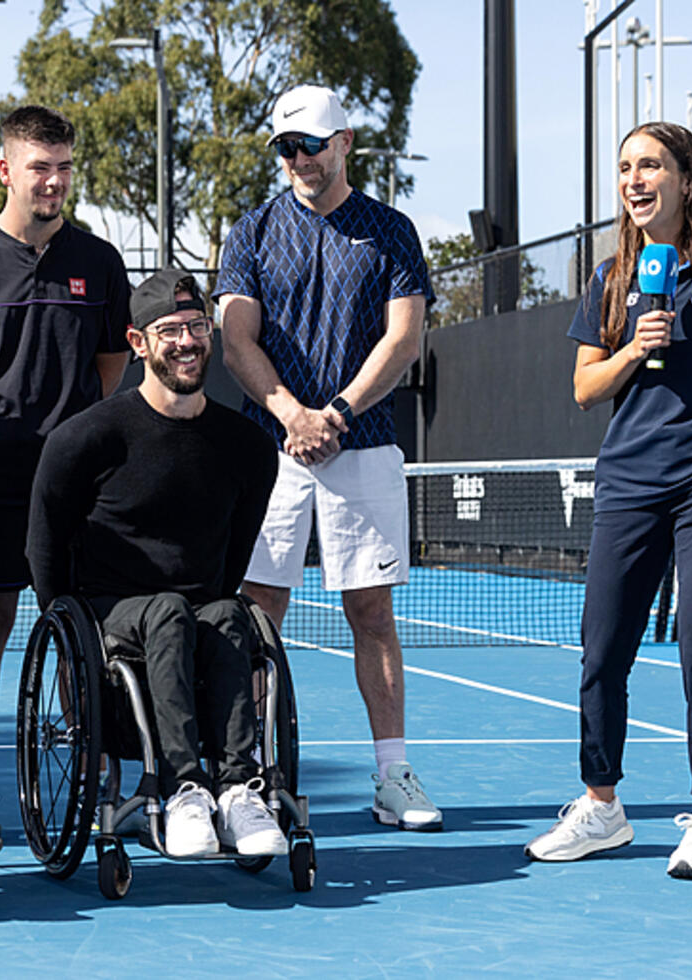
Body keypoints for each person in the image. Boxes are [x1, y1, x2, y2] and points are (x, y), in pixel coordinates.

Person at [524, 122, 692, 880]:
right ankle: (601, 807)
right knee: (602, 651)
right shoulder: (610, 280)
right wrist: (633, 348)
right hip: (627, 487)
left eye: (649, 166)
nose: (633, 180)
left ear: (685, 179)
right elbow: (581, 389)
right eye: (623, 169)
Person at [214, 84, 442, 831]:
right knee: (257, 615)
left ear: (345, 142)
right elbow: (235, 337)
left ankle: (391, 774)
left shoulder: (389, 230)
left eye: (311, 144)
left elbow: (402, 339)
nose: (299, 159)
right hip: (267, 450)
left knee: (370, 611)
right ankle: (246, 774)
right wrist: (289, 414)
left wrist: (336, 414)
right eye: (286, 146)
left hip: (363, 445)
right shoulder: (248, 232)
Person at [26, 270, 286, 858]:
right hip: (111, 613)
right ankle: (181, 789)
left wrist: (217, 607)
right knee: (169, 611)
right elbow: (44, 548)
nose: (188, 342)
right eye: (170, 330)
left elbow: (235, 552)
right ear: (139, 343)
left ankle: (239, 790)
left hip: (196, 610)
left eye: (197, 327)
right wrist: (73, 635)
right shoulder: (85, 439)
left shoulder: (246, 446)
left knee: (226, 614)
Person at [0, 105, 131, 741]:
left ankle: (91, 787)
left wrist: (69, 437)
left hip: (76, 486)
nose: (53, 181)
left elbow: (110, 366)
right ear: (6, 170)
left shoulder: (100, 261)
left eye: (64, 167)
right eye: (39, 167)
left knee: (82, 633)